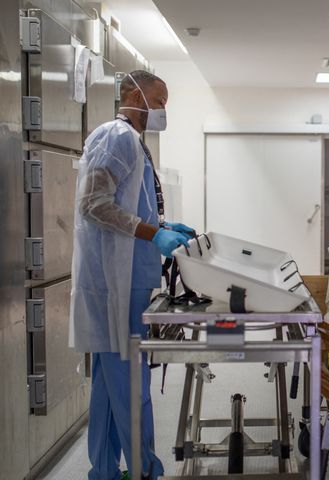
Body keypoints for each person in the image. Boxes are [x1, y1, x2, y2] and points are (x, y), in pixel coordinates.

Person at [70, 70, 195, 480]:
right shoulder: (116, 136)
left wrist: (162, 223)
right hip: (115, 281)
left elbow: (127, 204)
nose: (162, 110)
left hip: (127, 276)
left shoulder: (134, 143)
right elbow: (94, 203)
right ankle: (144, 470)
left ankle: (104, 471)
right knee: (131, 384)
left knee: (110, 385)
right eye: (158, 101)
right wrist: (152, 231)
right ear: (131, 94)